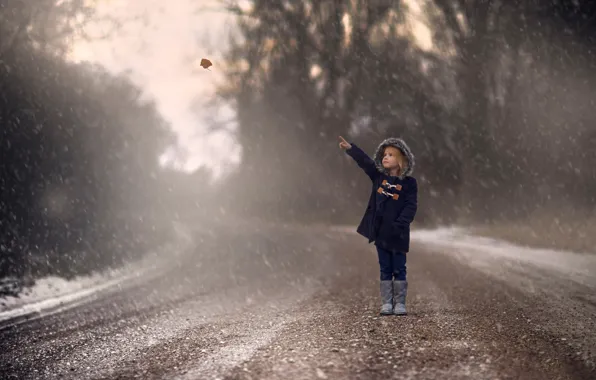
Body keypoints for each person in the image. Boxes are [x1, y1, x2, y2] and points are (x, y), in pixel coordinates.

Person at [339, 136, 418, 316]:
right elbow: (366, 162)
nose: (385, 157)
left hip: (399, 235)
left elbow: (411, 206)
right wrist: (351, 149)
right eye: (384, 154)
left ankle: (400, 303)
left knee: (399, 268)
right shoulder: (379, 178)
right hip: (381, 234)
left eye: (390, 154)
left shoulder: (409, 184)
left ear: (401, 160)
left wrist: (400, 224)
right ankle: (387, 303)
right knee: (385, 268)